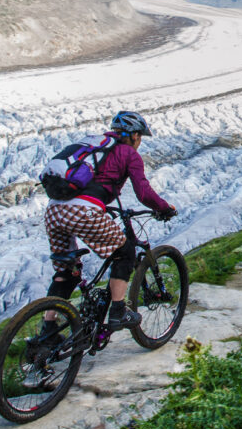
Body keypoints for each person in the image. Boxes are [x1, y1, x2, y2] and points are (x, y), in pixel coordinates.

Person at [41, 111, 176, 336]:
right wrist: (163, 208)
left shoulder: (96, 148)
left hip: (54, 210)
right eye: (140, 136)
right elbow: (143, 192)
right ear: (133, 135)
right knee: (125, 253)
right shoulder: (128, 153)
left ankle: (48, 329)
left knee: (66, 271)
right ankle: (118, 312)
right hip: (83, 211)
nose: (140, 141)